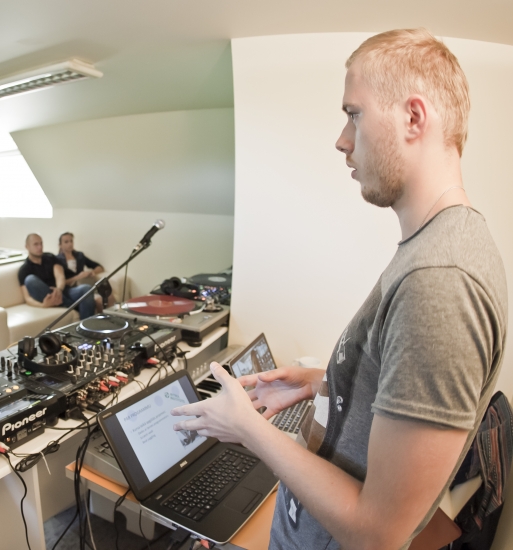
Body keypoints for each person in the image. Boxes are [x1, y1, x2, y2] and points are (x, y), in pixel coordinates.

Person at [170, 29, 506, 550]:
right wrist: (323, 382)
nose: (342, 139)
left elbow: (378, 532)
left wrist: (248, 429)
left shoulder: (440, 283)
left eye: (354, 114)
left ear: (414, 118)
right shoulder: (436, 247)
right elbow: (394, 379)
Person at [18, 233, 94, 320]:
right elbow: (27, 298)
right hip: (46, 296)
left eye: (41, 243)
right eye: (36, 244)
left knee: (86, 288)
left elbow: (60, 276)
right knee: (30, 279)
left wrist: (59, 289)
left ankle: (85, 325)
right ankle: (70, 304)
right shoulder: (24, 269)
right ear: (27, 247)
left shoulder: (50, 257)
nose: (40, 247)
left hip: (62, 291)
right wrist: (43, 305)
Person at [57, 232, 113, 310]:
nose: (70, 244)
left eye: (71, 241)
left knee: (109, 296)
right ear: (60, 245)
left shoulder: (79, 255)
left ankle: (113, 316)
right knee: (99, 300)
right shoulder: (57, 260)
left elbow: (99, 267)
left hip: (84, 284)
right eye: (66, 242)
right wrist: (78, 277)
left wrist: (92, 272)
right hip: (70, 289)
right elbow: (59, 283)